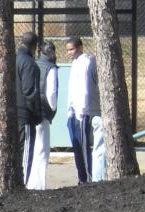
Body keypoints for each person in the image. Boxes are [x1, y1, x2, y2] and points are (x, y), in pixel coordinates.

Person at [66, 36, 100, 184]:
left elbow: (86, 89)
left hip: (83, 112)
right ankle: (81, 177)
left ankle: (87, 177)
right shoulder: (75, 63)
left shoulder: (87, 62)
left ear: (80, 48)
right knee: (76, 147)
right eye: (67, 50)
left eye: (72, 49)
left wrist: (83, 110)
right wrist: (70, 111)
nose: (69, 53)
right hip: (73, 111)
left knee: (84, 146)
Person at [29, 40, 58, 191]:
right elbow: (51, 93)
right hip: (43, 113)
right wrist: (52, 108)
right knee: (42, 150)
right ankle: (38, 185)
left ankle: (30, 182)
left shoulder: (34, 64)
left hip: (31, 111)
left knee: (32, 149)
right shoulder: (51, 68)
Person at [16, 32, 42, 186]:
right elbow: (30, 91)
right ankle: (23, 185)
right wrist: (37, 113)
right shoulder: (29, 63)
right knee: (26, 153)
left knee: (17, 152)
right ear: (35, 46)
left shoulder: (14, 59)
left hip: (14, 113)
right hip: (25, 114)